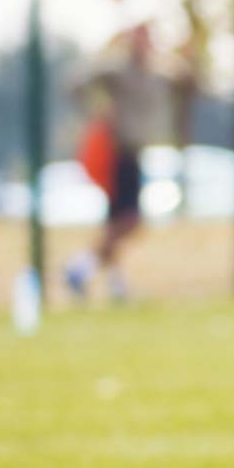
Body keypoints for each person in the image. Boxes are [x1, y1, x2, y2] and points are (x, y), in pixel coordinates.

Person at [66, 24, 167, 303]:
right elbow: (76, 83)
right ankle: (79, 268)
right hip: (118, 154)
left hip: (136, 153)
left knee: (116, 223)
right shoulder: (116, 70)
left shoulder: (156, 72)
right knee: (129, 221)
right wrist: (95, 111)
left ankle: (115, 285)